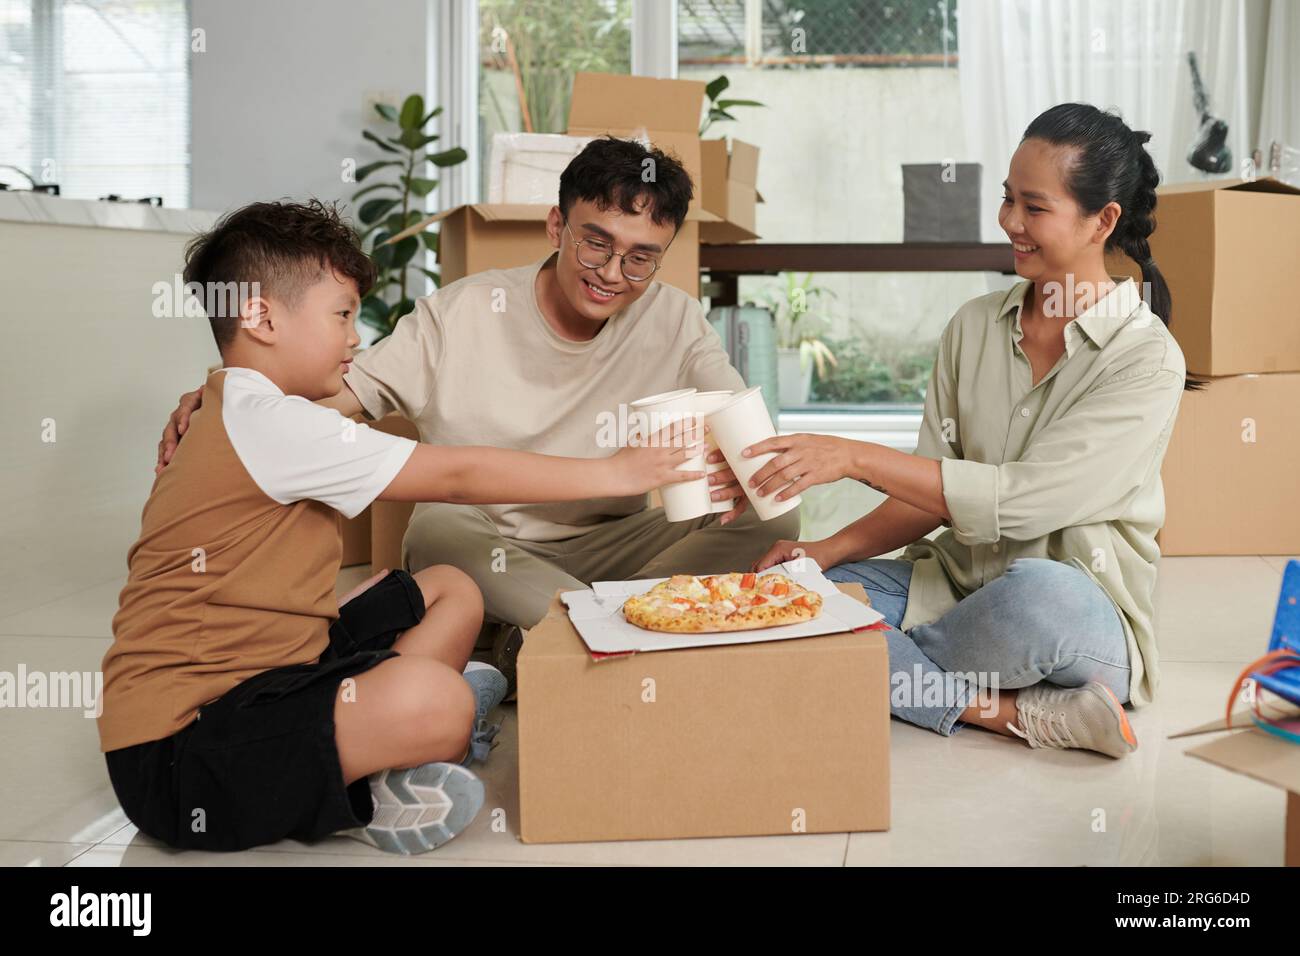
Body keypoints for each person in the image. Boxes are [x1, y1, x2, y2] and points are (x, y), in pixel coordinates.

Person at [102, 199, 703, 855]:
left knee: (451, 588)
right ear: (261, 317)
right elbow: (457, 477)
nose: (356, 338)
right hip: (180, 754)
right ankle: (385, 783)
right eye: (342, 316)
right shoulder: (273, 421)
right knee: (436, 701)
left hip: (274, 677)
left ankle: (395, 742)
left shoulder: (247, 405)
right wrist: (616, 473)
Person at [157, 136, 800, 695]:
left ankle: (560, 629)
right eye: (595, 243)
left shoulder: (674, 316)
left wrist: (748, 469)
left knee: (773, 512)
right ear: (556, 226)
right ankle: (608, 626)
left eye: (640, 257)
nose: (610, 272)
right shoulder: (459, 313)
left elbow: (739, 417)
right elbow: (329, 395)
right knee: (439, 530)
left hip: (609, 549)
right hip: (488, 542)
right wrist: (233, 393)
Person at [752, 104, 1192, 759]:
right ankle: (1000, 710)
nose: (1010, 222)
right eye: (1008, 199)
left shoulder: (1145, 358)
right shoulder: (974, 325)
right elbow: (930, 488)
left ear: (1103, 221)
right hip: (953, 589)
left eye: (1034, 207)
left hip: (1071, 613)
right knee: (783, 594)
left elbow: (1023, 502)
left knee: (1039, 598)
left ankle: (875, 666)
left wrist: (852, 457)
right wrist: (827, 550)